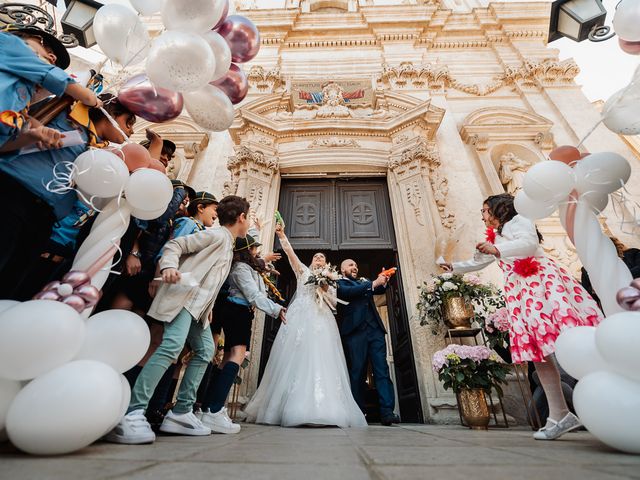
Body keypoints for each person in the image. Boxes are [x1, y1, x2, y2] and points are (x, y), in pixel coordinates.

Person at [440, 193, 604, 440]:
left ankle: (604, 401)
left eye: (485, 210)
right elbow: (479, 261)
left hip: (542, 286)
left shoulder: (520, 220)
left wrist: (497, 249)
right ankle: (560, 414)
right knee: (539, 353)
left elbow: (528, 243)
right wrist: (455, 267)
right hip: (521, 293)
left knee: (570, 338)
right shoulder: (496, 236)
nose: (483, 216)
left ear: (499, 209)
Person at [105, 195, 251, 445]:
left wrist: (209, 306)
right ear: (242, 218)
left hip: (199, 308)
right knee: (171, 345)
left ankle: (181, 412)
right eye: (249, 218)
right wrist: (168, 267)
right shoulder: (216, 236)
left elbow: (211, 279)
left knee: (206, 350)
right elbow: (176, 246)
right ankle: (131, 410)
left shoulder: (226, 243)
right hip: (183, 297)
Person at [0, 93, 135, 299]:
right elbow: (11, 127)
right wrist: (37, 131)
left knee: (9, 282)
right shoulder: (62, 113)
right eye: (129, 122)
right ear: (112, 114)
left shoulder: (102, 154)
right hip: (13, 197)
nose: (131, 131)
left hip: (44, 218)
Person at [244, 223, 367, 428]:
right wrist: (282, 235)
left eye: (322, 257)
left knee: (322, 358)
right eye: (316, 257)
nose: (318, 259)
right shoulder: (302, 272)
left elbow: (335, 304)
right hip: (300, 318)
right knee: (295, 357)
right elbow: (290, 253)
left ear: (327, 264)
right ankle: (288, 407)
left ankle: (325, 408)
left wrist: (325, 286)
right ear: (311, 261)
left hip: (322, 320)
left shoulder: (331, 279)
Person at [199, 231, 287, 434]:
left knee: (226, 358)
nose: (257, 251)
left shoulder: (246, 267)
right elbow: (253, 294)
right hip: (237, 312)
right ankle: (215, 409)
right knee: (236, 356)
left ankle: (209, 407)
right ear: (247, 250)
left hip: (237, 311)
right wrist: (276, 309)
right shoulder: (240, 268)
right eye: (254, 247)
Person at [0, 26, 101, 152]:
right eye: (44, 46)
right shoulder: (12, 44)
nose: (52, 57)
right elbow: (87, 97)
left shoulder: (23, 94)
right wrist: (94, 100)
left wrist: (40, 133)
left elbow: (5, 144)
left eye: (54, 63)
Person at [337, 260, 399, 426]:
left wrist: (383, 280)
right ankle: (358, 413)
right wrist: (373, 283)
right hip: (355, 332)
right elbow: (347, 293)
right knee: (357, 372)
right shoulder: (339, 283)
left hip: (375, 331)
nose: (354, 267)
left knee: (382, 370)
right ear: (343, 269)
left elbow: (379, 288)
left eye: (356, 265)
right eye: (350, 265)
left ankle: (387, 412)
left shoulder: (364, 282)